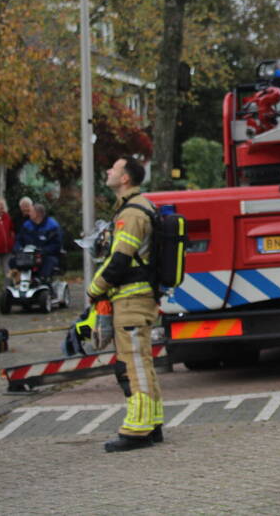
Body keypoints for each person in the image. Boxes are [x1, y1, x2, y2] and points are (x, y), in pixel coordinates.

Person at [87, 156, 163, 452]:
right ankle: (152, 422)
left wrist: (94, 289)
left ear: (125, 178)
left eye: (114, 168)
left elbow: (119, 260)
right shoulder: (139, 206)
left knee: (133, 364)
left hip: (131, 299)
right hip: (138, 297)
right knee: (142, 361)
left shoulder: (131, 214)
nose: (108, 171)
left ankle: (137, 430)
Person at [16, 203, 63, 281]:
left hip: (46, 255)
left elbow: (57, 244)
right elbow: (19, 239)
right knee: (14, 262)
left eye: (31, 212)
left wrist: (42, 251)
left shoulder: (52, 226)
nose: (29, 213)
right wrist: (18, 248)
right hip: (28, 255)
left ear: (37, 213)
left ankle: (43, 281)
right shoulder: (27, 225)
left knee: (48, 262)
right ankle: (21, 282)